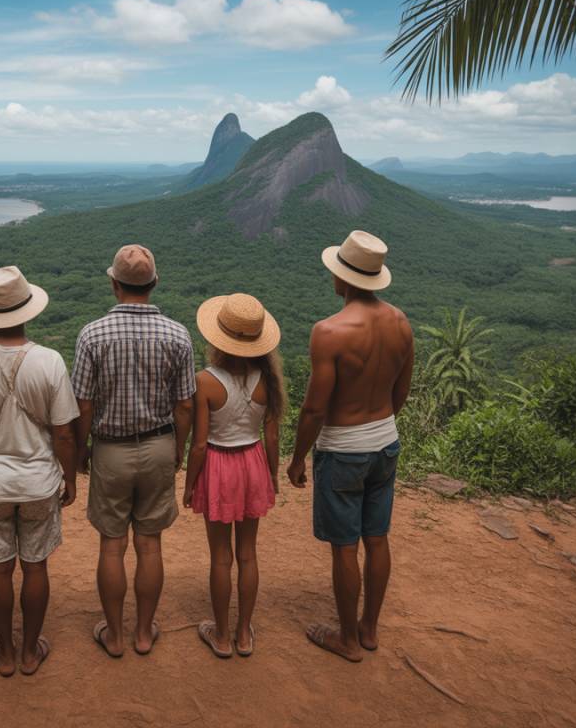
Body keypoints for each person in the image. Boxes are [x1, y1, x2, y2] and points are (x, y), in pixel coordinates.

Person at [286, 230, 414, 663]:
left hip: (343, 450)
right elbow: (402, 392)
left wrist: (298, 457)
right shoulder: (400, 322)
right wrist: (379, 423)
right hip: (386, 443)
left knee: (345, 546)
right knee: (376, 538)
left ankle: (347, 639)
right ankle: (369, 629)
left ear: (344, 278)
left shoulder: (330, 332)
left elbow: (314, 409)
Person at [0, 266, 78, 677]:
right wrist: (70, 477)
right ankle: (29, 652)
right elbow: (64, 434)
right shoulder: (49, 360)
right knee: (36, 565)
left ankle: (4, 652)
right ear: (28, 311)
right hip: (39, 480)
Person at [73, 244, 195, 658]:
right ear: (154, 283)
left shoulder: (91, 334)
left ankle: (115, 636)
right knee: (150, 544)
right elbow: (184, 404)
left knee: (112, 544)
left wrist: (81, 450)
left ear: (114, 284)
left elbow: (83, 404)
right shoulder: (178, 334)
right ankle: (144, 632)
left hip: (110, 449)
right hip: (160, 443)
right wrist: (177, 447)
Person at [184, 293, 285, 658]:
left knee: (220, 556)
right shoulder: (268, 381)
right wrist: (271, 477)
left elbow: (198, 445)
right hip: (252, 463)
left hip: (218, 465)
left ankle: (222, 635)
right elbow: (271, 437)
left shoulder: (205, 381)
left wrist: (189, 482)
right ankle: (244, 633)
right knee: (248, 553)